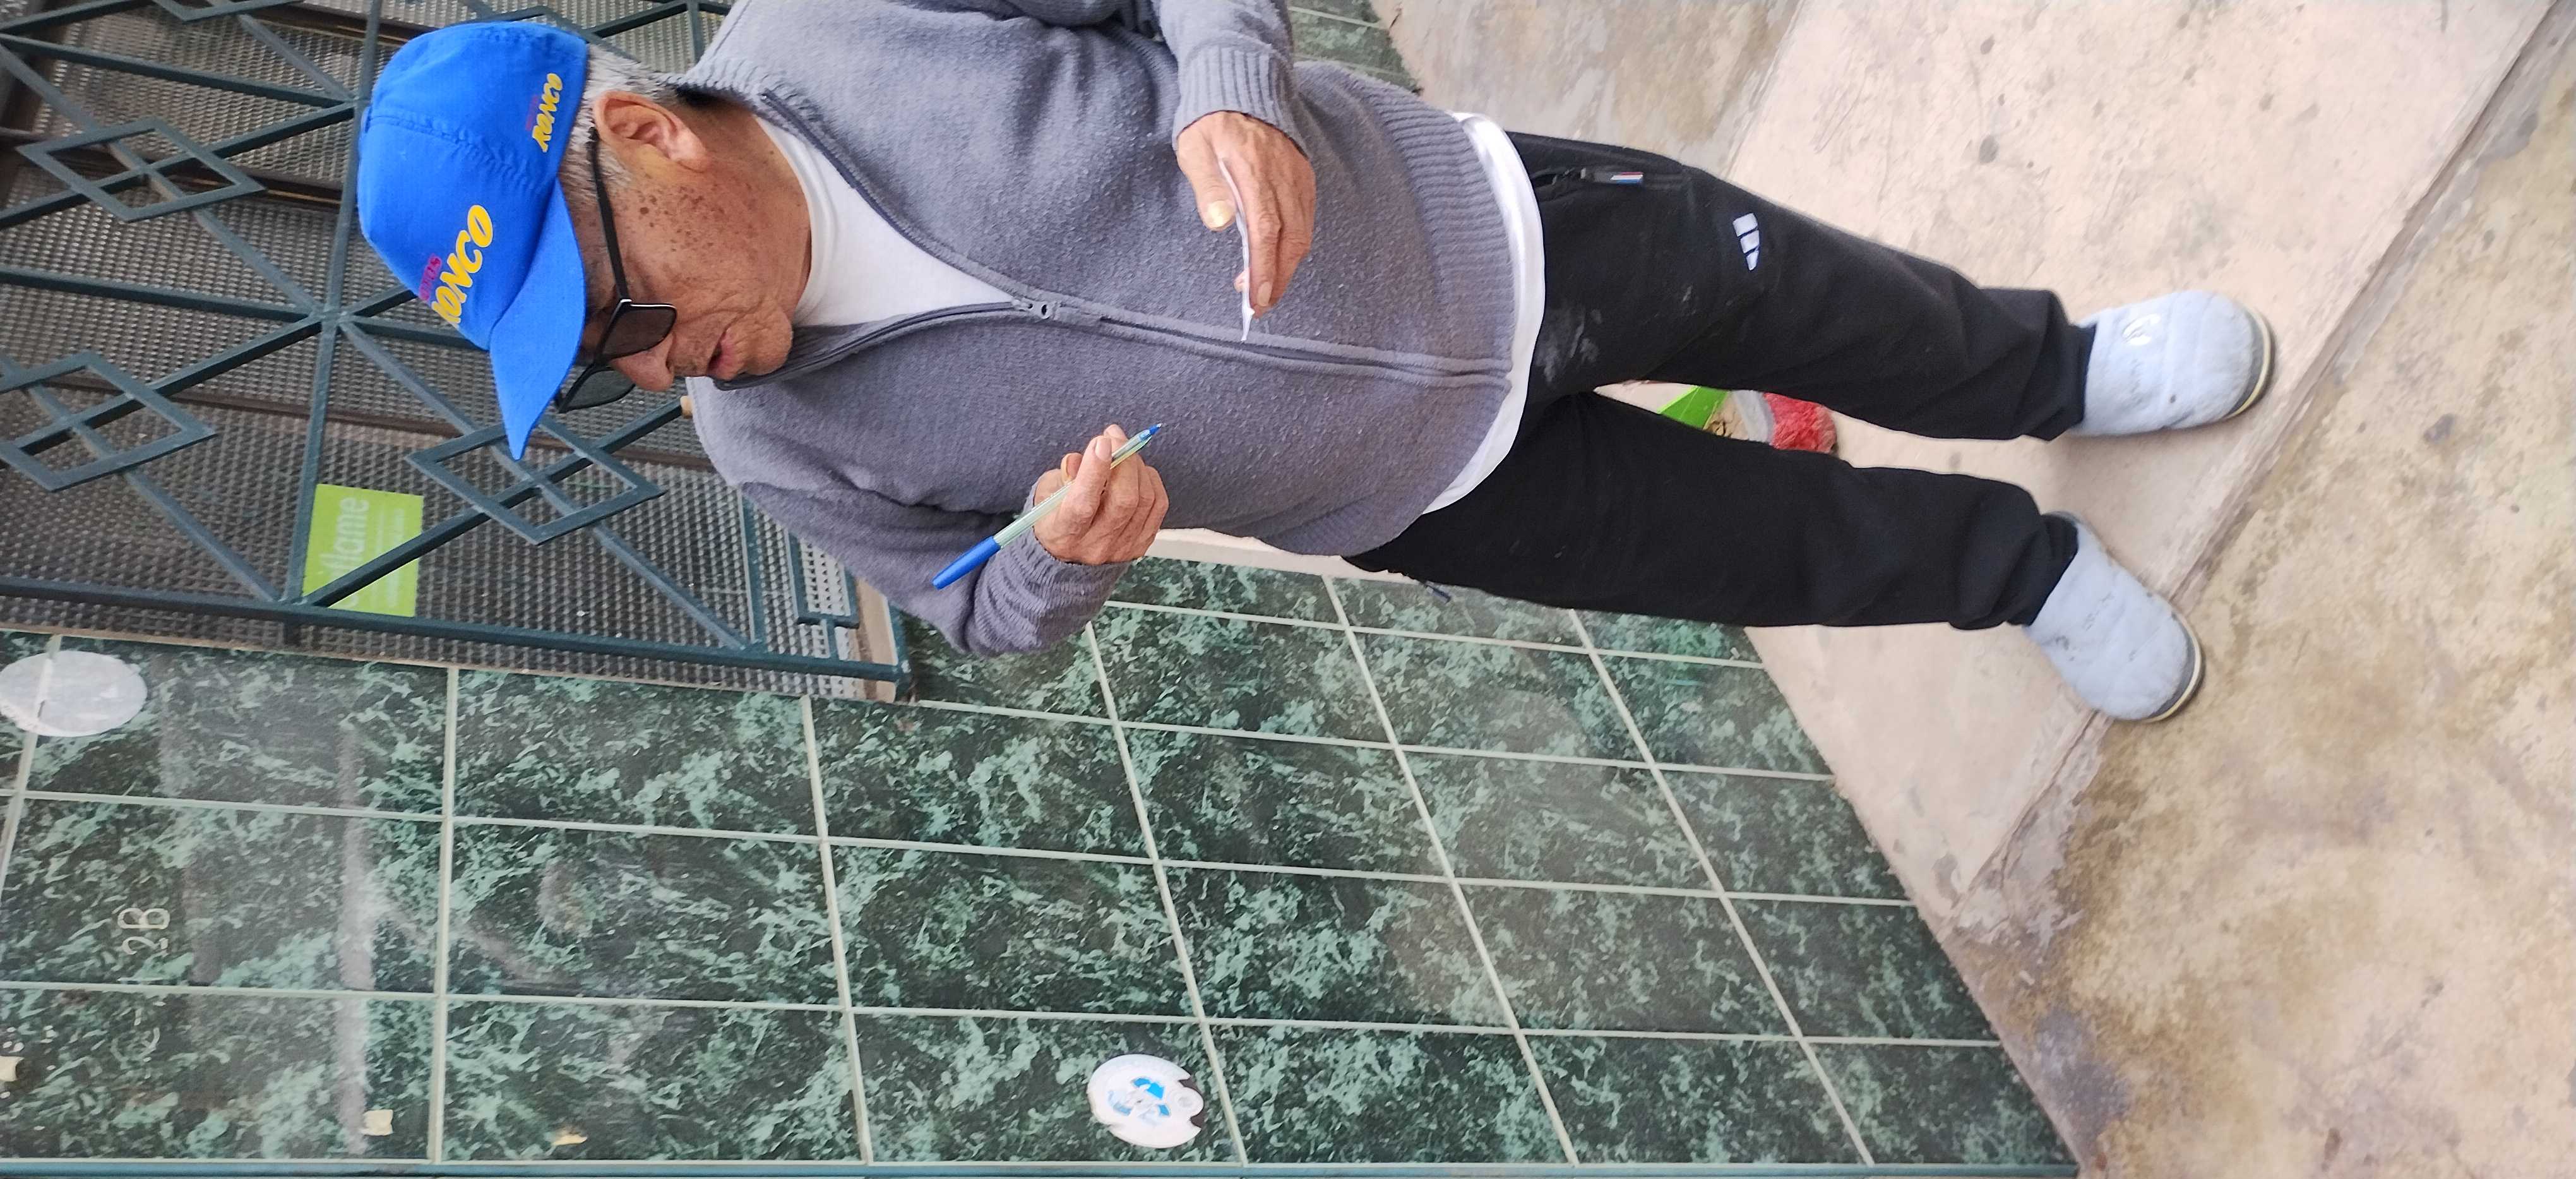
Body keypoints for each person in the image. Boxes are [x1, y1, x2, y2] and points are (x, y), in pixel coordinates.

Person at [354, 2, 2272, 722]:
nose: (650, 367)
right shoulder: (768, 445)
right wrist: (1059, 565)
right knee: (1774, 551)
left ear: (641, 134)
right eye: (588, 369)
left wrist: (1229, 83)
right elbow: (977, 613)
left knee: (1838, 309)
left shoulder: (847, 25)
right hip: (1424, 494)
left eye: (611, 313)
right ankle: (2023, 572)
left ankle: (2062, 373)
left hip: (1494, 226)